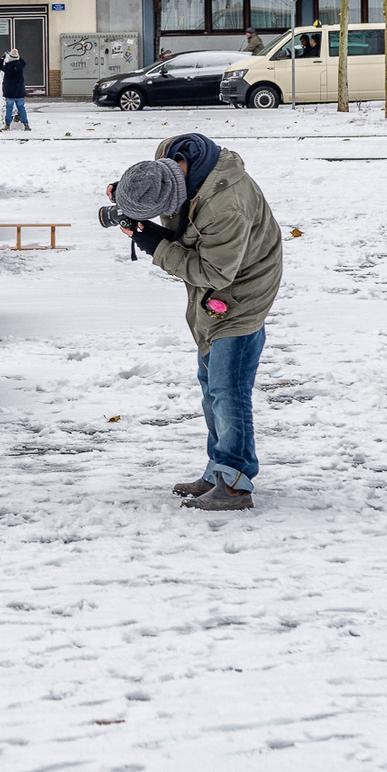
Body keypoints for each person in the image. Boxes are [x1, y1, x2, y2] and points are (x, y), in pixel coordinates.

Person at [108, 134, 283, 511]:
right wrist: (137, 209)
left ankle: (235, 484)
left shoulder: (226, 207)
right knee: (211, 385)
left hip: (241, 292)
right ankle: (218, 469)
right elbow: (183, 222)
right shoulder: (170, 158)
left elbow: (215, 272)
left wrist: (157, 247)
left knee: (228, 389)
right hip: (212, 293)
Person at [0, 48, 30, 131]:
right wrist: (18, 57)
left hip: (9, 92)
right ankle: (26, 124)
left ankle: (7, 124)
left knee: (9, 109)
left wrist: (3, 57)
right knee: (21, 108)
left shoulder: (7, 67)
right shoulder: (21, 66)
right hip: (19, 92)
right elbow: (23, 62)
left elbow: (0, 65)